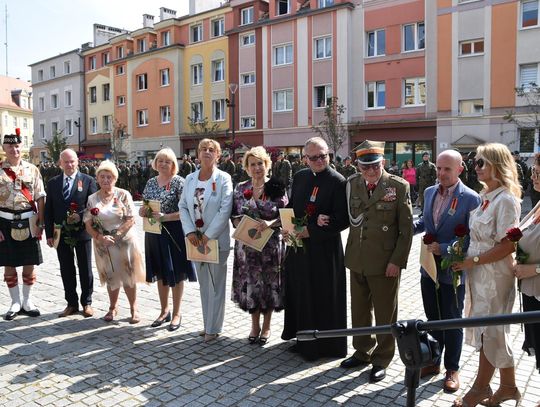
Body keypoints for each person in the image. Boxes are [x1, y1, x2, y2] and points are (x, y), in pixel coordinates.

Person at [451, 143, 522, 407]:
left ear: (496, 165)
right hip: (480, 271)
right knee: (490, 332)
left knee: (490, 333)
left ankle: (480, 389)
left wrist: (474, 260)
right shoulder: (487, 196)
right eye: (475, 162)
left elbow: (508, 245)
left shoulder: (506, 199)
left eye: (481, 162)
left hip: (495, 273)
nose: (476, 167)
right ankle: (507, 387)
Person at [341, 140, 413, 383]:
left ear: (383, 163)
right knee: (359, 310)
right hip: (357, 258)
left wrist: (397, 261)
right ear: (358, 166)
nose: (370, 171)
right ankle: (362, 351)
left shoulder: (398, 187)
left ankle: (381, 359)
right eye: (365, 167)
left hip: (385, 263)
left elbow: (406, 231)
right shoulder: (351, 184)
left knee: (385, 313)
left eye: (375, 166)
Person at [413, 150, 481, 392]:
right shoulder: (430, 191)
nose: (441, 173)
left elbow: (473, 239)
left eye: (447, 169)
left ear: (460, 169)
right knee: (432, 318)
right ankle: (434, 361)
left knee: (452, 320)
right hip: (428, 269)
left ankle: (452, 368)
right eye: (439, 168)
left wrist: (443, 248)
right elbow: (424, 222)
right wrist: (406, 226)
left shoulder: (471, 199)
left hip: (453, 271)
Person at [281, 137, 349, 361]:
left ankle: (326, 347)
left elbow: (342, 219)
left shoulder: (338, 181)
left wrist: (312, 231)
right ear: (305, 159)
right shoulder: (300, 177)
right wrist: (286, 227)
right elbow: (292, 208)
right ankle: (304, 342)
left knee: (322, 297)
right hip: (300, 249)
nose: (320, 160)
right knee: (302, 295)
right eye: (314, 157)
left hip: (324, 251)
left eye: (324, 155)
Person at [231, 147, 288, 345]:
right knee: (252, 286)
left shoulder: (277, 187)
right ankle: (254, 325)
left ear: (267, 165)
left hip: (271, 247)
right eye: (252, 164)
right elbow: (234, 214)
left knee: (269, 286)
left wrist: (270, 223)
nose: (257, 168)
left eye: (260, 163)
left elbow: (286, 216)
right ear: (246, 167)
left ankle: (267, 326)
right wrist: (239, 225)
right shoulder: (240, 188)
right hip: (247, 247)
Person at [179, 139, 233, 343]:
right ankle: (207, 323)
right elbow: (183, 206)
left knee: (216, 284)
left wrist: (208, 236)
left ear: (218, 155)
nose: (207, 152)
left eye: (212, 150)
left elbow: (224, 209)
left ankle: (213, 327)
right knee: (204, 284)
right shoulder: (190, 179)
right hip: (195, 240)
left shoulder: (223, 178)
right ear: (198, 154)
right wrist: (190, 232)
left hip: (215, 240)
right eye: (204, 149)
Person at [140, 148, 196, 331]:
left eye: (168, 161)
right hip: (154, 233)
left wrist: (165, 217)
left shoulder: (179, 182)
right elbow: (145, 206)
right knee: (160, 272)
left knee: (177, 273)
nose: (163, 164)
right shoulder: (150, 182)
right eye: (160, 160)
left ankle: (177, 312)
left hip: (174, 232)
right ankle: (164, 311)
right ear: (155, 163)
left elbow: (186, 211)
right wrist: (142, 211)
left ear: (174, 164)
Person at [83, 160, 145, 323]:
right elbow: (88, 223)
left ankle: (134, 308)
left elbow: (131, 219)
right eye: (102, 177)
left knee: (128, 275)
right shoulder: (92, 198)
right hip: (103, 244)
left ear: (115, 178)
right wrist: (99, 237)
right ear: (97, 179)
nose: (105, 180)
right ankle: (112, 307)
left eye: (109, 177)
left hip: (124, 242)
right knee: (111, 276)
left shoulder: (123, 194)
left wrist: (116, 235)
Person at [44, 149, 97, 318]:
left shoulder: (88, 181)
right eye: (66, 162)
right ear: (60, 163)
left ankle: (87, 302)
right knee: (66, 268)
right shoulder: (53, 183)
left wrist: (80, 216)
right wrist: (49, 234)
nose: (70, 165)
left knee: (85, 268)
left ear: (77, 162)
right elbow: (48, 210)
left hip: (83, 232)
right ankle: (71, 303)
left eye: (72, 161)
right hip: (61, 233)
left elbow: (94, 208)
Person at [1, 129, 46, 320]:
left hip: (29, 220)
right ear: (4, 148)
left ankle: (27, 301)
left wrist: (41, 222)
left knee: (30, 262)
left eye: (17, 146)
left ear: (22, 147)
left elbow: (40, 196)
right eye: (10, 146)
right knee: (9, 263)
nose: (14, 150)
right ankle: (15, 302)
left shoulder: (32, 169)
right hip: (4, 220)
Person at [513, 153, 540, 375]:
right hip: (531, 290)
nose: (534, 177)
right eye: (533, 172)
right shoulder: (539, 203)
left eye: (538, 173)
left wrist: (532, 269)